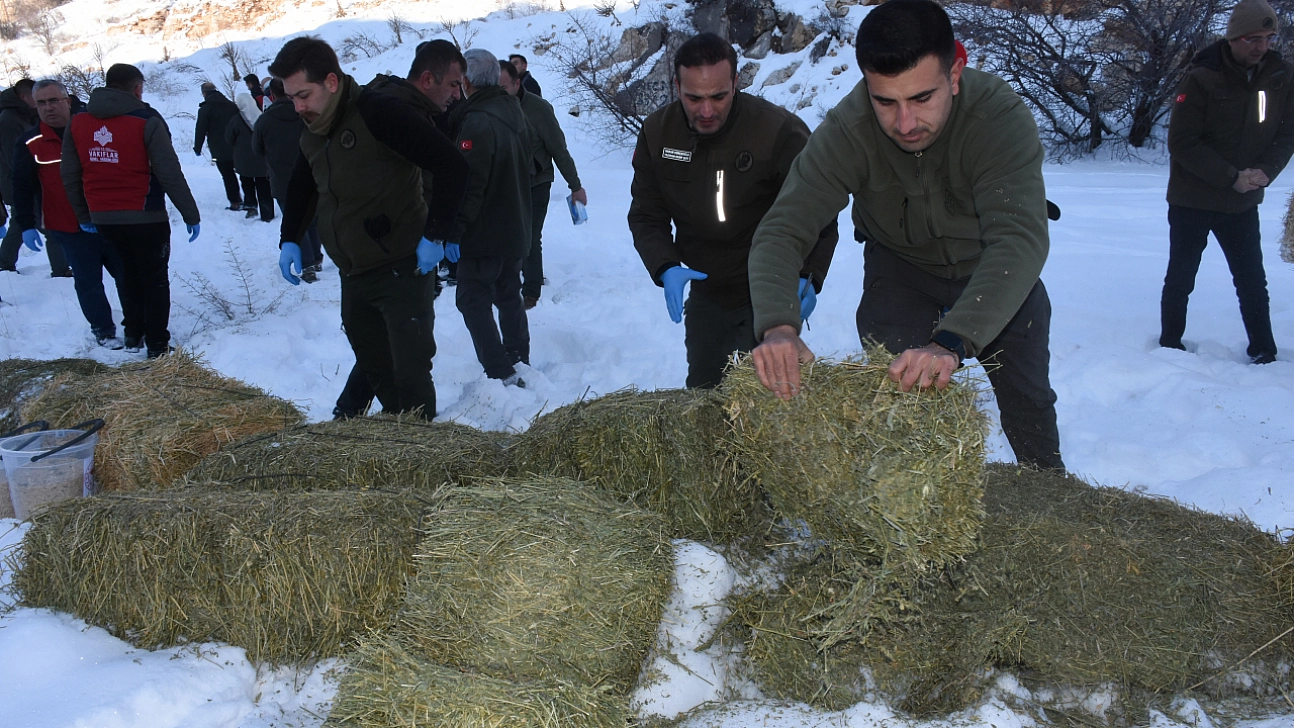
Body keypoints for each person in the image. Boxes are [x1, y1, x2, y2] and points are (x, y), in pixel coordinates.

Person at [746, 0, 1064, 471]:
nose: (905, 124)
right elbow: (782, 229)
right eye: (885, 102)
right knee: (897, 402)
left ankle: (1050, 502)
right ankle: (905, 522)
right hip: (901, 270)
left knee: (1028, 399)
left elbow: (1019, 241)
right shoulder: (848, 130)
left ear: (955, 74)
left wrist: (951, 342)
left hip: (992, 269)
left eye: (922, 98)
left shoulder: (997, 117)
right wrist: (777, 326)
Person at [271, 36, 469, 419]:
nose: (297, 107)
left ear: (331, 82)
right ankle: (395, 440)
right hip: (354, 271)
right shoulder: (314, 126)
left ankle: (421, 452)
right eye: (291, 97)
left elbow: (451, 165)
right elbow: (302, 182)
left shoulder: (379, 112)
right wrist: (290, 238)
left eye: (303, 95)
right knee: (376, 366)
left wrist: (436, 234)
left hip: (401, 265)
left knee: (409, 371)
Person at [628, 32, 839, 390]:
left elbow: (819, 213)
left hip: (767, 290)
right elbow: (647, 213)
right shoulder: (657, 133)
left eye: (719, 96)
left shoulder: (778, 132)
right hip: (706, 292)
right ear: (676, 85)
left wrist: (810, 273)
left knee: (761, 397)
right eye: (694, 98)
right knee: (705, 393)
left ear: (736, 83)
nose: (706, 111)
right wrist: (664, 266)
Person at [331, 38, 468, 420]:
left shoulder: (400, 103)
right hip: (396, 249)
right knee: (404, 354)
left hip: (381, 247)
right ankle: (413, 437)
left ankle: (350, 414)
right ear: (427, 79)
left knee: (384, 346)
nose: (458, 95)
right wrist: (436, 234)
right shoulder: (394, 110)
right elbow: (437, 173)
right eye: (454, 85)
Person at [1161, 0, 1293, 365]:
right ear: (1233, 37)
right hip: (1193, 200)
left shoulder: (1280, 75)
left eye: (1268, 38)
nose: (1261, 47)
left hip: (1242, 202)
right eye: (1253, 38)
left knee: (1252, 282)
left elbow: (1286, 133)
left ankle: (1264, 351)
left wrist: (1265, 171)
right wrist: (1230, 177)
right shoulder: (1202, 75)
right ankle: (1169, 346)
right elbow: (1182, 142)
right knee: (1181, 278)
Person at [62, 63, 201, 358]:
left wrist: (84, 215)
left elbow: (70, 174)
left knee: (126, 274)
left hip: (103, 217)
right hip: (145, 215)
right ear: (137, 88)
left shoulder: (78, 122)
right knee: (154, 279)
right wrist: (190, 214)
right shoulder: (146, 120)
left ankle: (133, 333)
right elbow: (169, 172)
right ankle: (157, 344)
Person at [13, 79, 126, 348]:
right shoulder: (30, 143)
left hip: (110, 220)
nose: (48, 108)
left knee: (127, 276)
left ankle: (137, 324)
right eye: (41, 103)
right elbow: (22, 187)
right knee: (88, 282)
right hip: (68, 227)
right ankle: (103, 331)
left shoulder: (94, 131)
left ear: (68, 101)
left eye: (53, 101)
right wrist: (26, 225)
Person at [446, 48, 534, 387]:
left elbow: (472, 184)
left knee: (470, 298)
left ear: (467, 81)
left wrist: (455, 231)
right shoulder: (512, 109)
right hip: (514, 226)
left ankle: (500, 370)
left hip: (486, 231)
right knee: (508, 292)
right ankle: (517, 357)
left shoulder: (478, 120)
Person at [499, 60, 586, 310]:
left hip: (537, 181)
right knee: (509, 234)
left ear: (517, 83)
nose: (498, 92)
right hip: (506, 183)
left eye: (503, 87)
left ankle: (531, 291)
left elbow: (558, 149)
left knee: (529, 234)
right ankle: (508, 281)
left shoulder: (538, 110)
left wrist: (575, 185)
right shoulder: (492, 108)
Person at [253, 76, 321, 281]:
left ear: (271, 95)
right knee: (312, 218)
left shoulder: (264, 120)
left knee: (294, 219)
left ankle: (307, 264)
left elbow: (257, 149)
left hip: (282, 179)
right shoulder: (306, 114)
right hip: (311, 174)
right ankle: (316, 257)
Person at [0, 78, 70, 276]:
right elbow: (13, 158)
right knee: (44, 225)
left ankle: (5, 262)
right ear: (24, 97)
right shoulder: (9, 120)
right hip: (20, 183)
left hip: (32, 182)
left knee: (20, 224)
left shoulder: (25, 115)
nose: (44, 104)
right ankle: (61, 269)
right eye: (38, 99)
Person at [194, 82, 245, 212]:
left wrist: (197, 148)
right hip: (237, 145)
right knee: (245, 173)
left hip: (219, 149)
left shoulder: (205, 109)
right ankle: (251, 201)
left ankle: (235, 201)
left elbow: (200, 130)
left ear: (204, 93)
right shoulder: (231, 106)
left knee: (228, 175)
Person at [226, 92, 274, 222]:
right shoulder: (262, 117)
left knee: (247, 183)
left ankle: (251, 206)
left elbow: (229, 138)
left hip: (243, 160)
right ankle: (267, 212)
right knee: (264, 185)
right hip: (261, 159)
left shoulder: (236, 120)